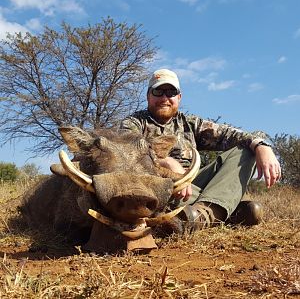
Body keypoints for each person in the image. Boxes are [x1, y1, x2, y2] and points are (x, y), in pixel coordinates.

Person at [120, 69, 281, 234]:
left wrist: (261, 146)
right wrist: (167, 164)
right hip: (161, 190)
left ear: (179, 97)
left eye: (171, 92)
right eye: (158, 91)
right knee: (250, 210)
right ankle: (223, 211)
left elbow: (233, 135)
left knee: (246, 150)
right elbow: (127, 153)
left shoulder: (189, 123)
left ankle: (202, 214)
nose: (164, 98)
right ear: (148, 96)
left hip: (192, 186)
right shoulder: (133, 123)